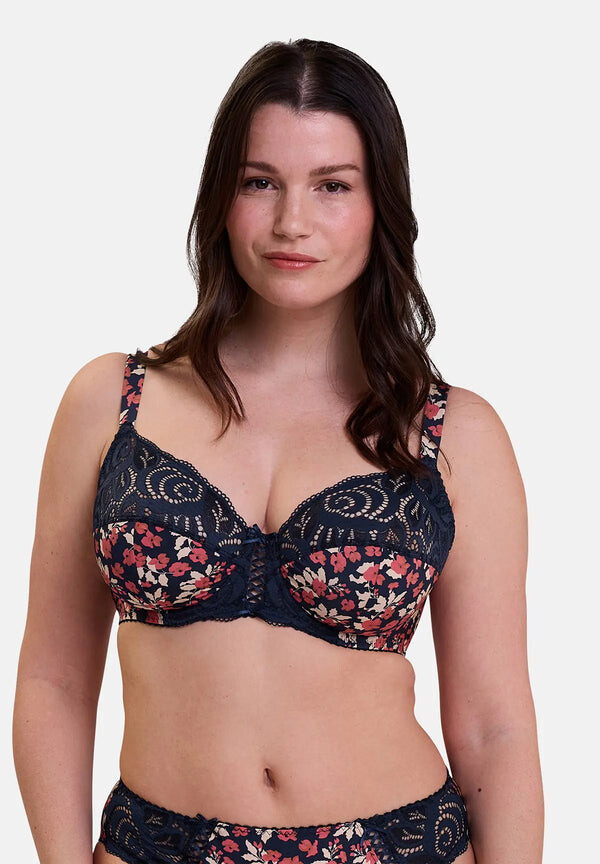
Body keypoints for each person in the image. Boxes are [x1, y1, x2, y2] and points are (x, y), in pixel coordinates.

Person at [13, 38, 544, 864]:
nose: (293, 221)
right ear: (221, 198)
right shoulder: (112, 402)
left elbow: (493, 726)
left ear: (381, 203)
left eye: (333, 185)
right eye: (260, 181)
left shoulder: (454, 434)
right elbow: (54, 680)